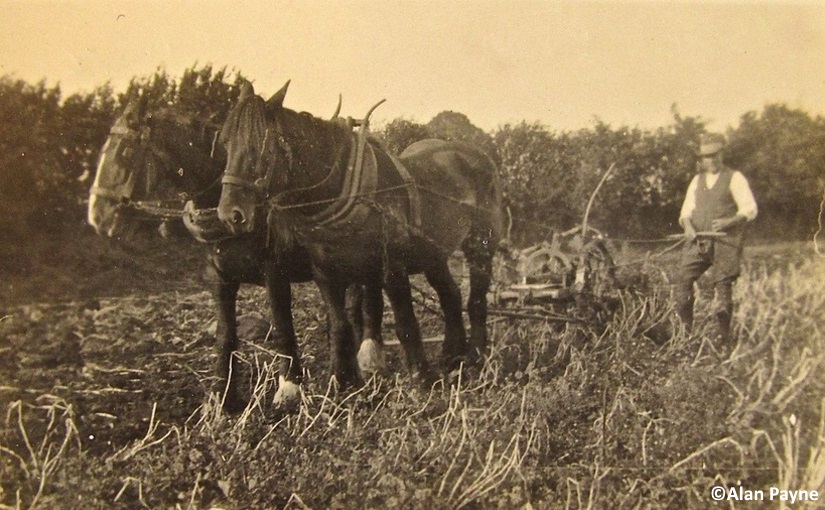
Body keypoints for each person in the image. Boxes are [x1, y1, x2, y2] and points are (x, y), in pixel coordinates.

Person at [674, 132, 758, 345]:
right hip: (699, 240)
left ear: (722, 154)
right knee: (683, 279)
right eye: (707, 156)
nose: (711, 160)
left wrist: (728, 222)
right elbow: (686, 212)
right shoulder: (697, 180)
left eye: (715, 155)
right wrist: (688, 227)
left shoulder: (734, 177)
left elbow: (749, 209)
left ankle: (724, 339)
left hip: (725, 242)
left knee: (722, 288)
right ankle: (686, 335)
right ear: (701, 159)